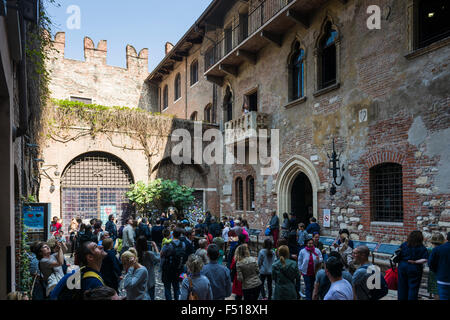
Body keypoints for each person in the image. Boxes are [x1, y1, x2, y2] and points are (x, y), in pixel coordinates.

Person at [397, 230, 429, 300]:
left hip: (403, 266)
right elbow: (425, 259)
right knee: (413, 287)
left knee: (402, 286)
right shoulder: (422, 247)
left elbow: (397, 254)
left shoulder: (404, 244)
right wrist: (415, 262)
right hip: (415, 267)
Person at [160, 228, 186, 300]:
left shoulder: (168, 245)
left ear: (172, 234)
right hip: (178, 269)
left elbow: (161, 255)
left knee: (167, 288)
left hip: (167, 269)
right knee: (176, 287)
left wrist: (161, 267)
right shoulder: (183, 244)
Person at [429, 232, 450, 300]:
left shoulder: (437, 249)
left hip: (442, 277)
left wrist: (437, 271)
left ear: (447, 238)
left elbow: (431, 263)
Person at [426, 233, 445, 299]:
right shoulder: (444, 249)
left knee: (435, 291)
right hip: (442, 271)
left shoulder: (430, 250)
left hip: (433, 271)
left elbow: (429, 262)